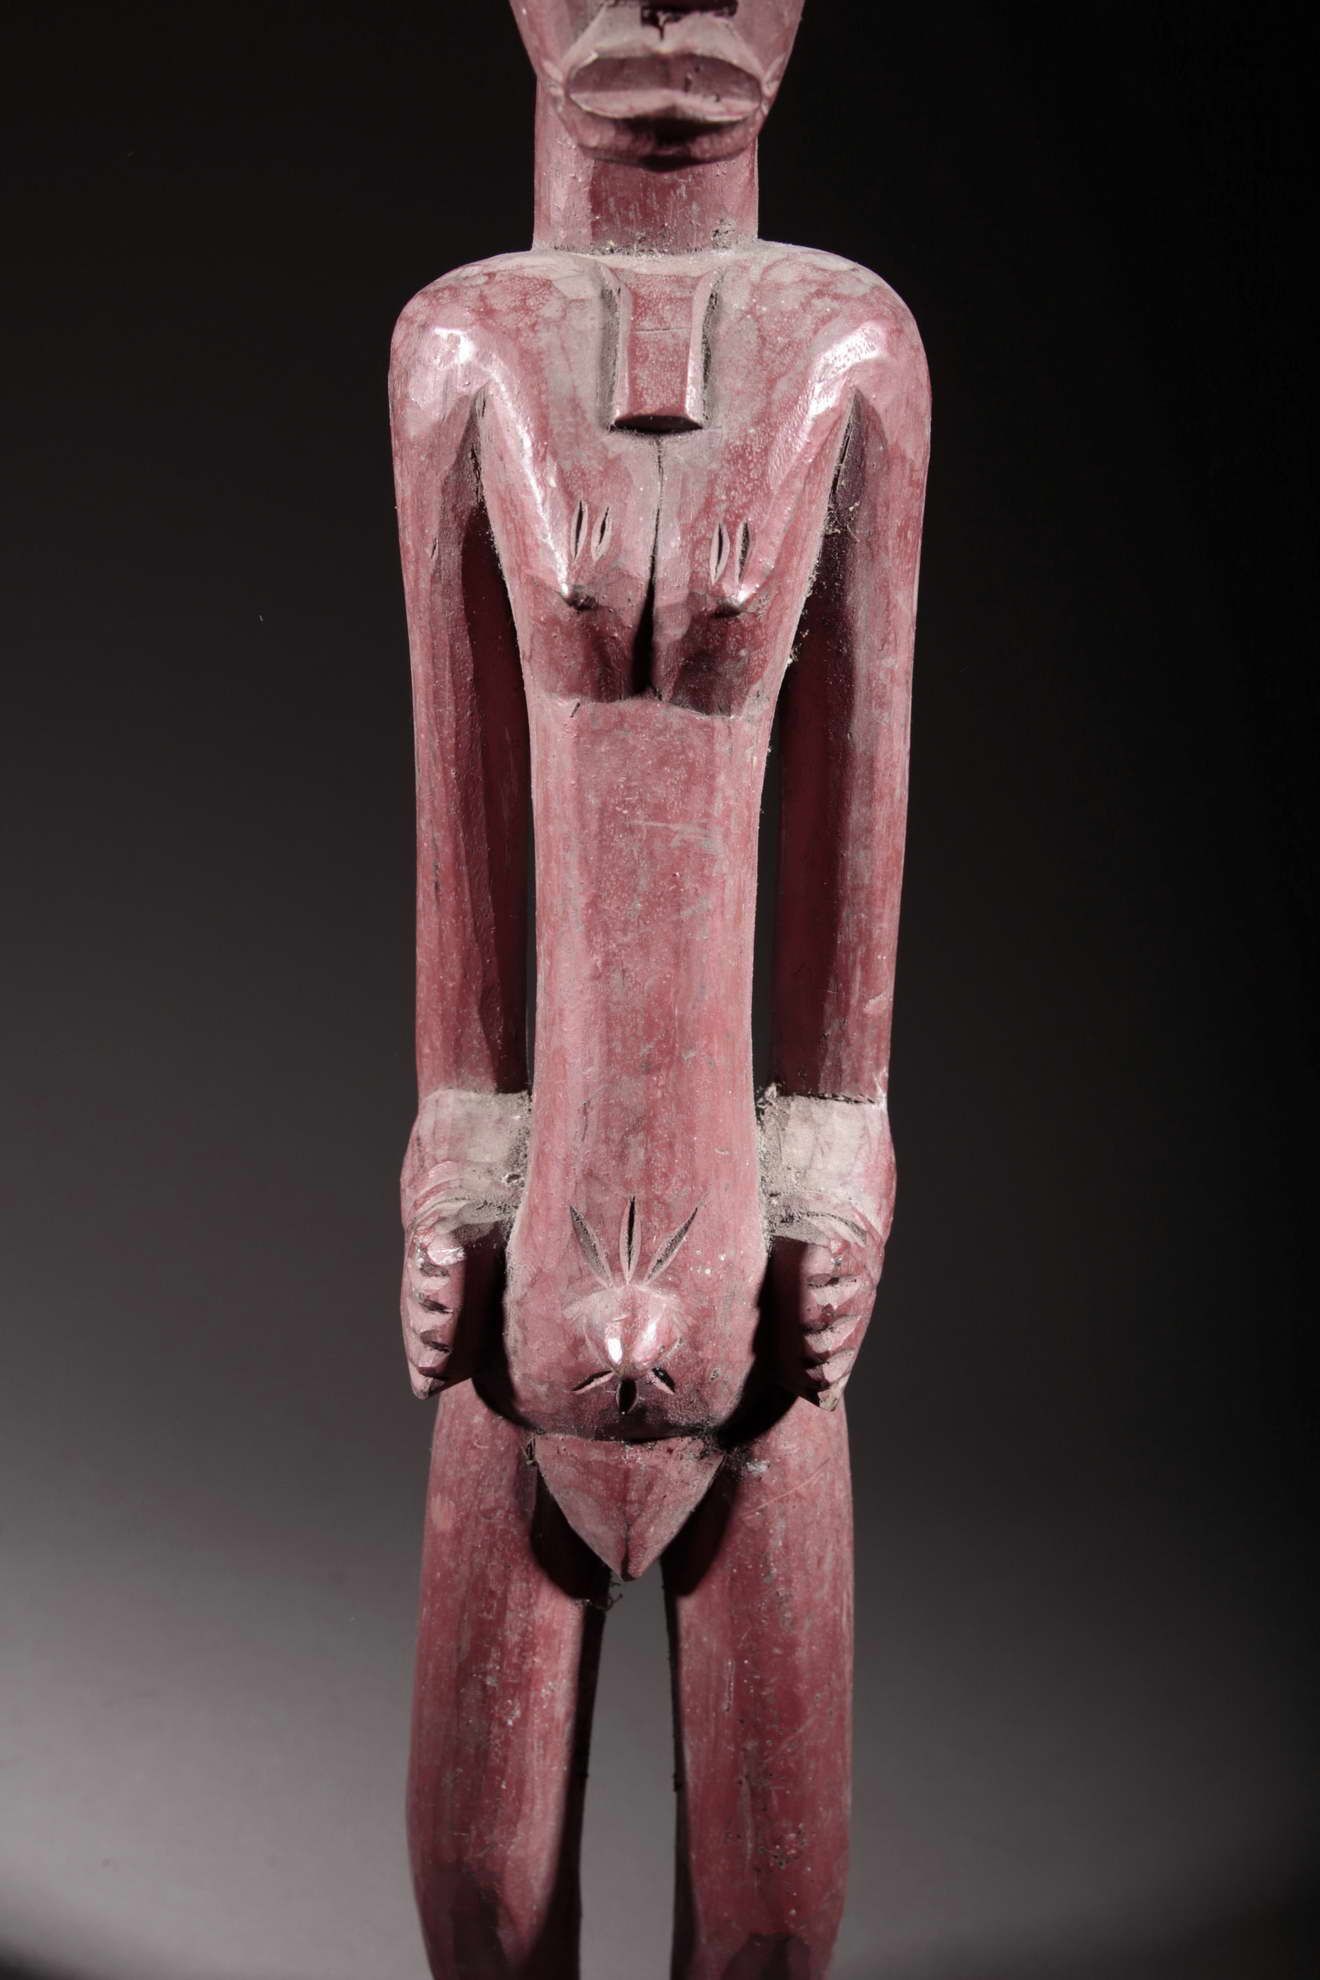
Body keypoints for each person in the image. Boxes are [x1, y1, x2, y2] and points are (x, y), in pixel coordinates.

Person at [388, 4, 930, 1971]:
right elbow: (459, 842)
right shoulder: (465, 345)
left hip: (762, 1302)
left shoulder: (850, 347)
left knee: (779, 1912)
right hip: (527, 1283)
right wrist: (455, 1179)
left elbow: (858, 844)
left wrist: (842, 1177)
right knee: (475, 1887)